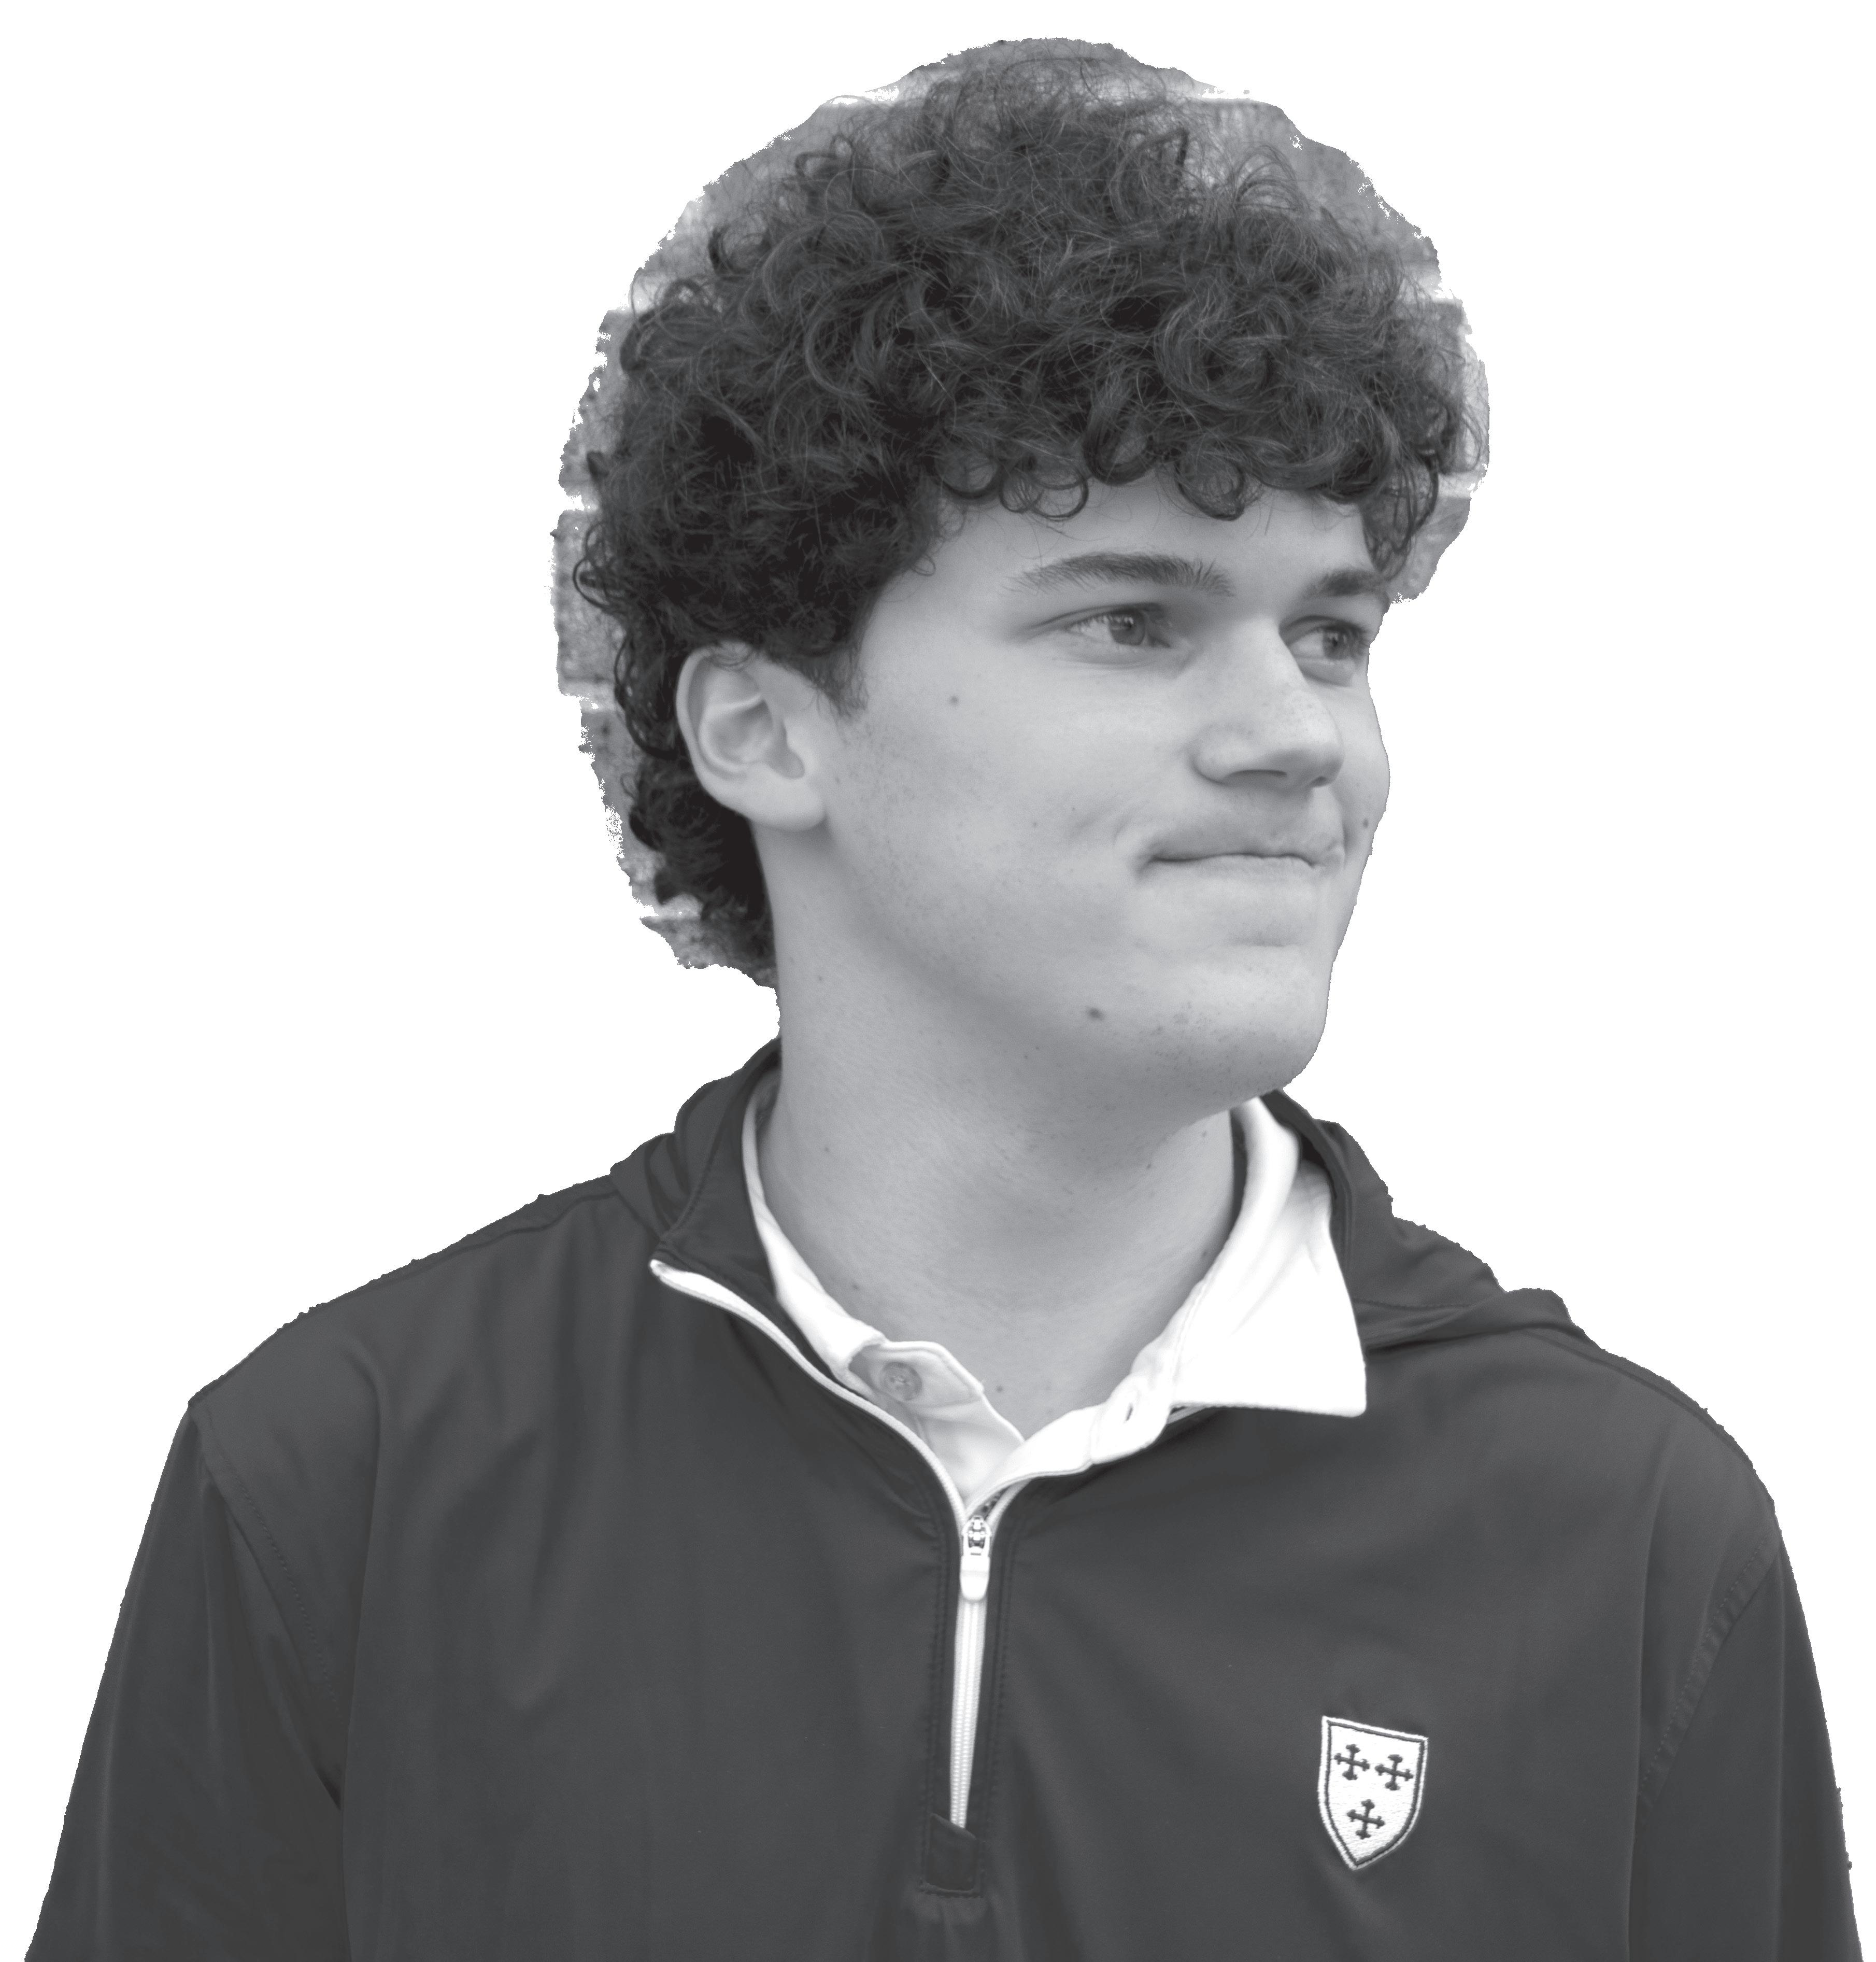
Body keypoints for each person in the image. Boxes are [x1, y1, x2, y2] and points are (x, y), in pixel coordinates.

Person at [29, 42, 1860, 1961]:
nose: (1298, 734)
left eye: (1331, 632)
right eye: (1133, 621)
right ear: (765, 728)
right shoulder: (350, 1481)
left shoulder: (1622, 1537)